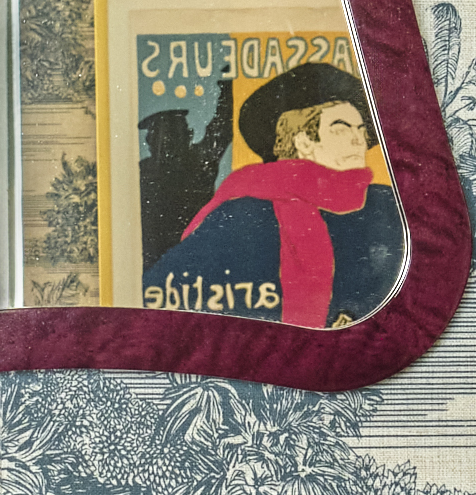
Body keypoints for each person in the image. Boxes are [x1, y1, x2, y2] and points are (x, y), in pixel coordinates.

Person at [142, 61, 403, 328]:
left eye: (361, 129)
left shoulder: (384, 203)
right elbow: (156, 292)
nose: (359, 140)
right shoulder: (243, 212)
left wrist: (357, 316)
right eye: (341, 128)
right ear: (303, 142)